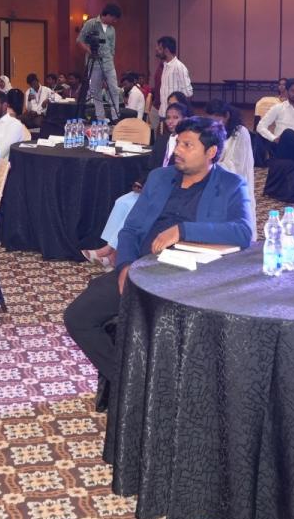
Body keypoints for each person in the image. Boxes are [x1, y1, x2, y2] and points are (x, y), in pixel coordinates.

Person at [65, 118, 253, 391]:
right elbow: (131, 230)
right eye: (178, 143)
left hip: (190, 277)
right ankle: (132, 385)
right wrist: (125, 267)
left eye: (188, 145)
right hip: (142, 270)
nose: (178, 150)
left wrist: (183, 229)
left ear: (211, 152)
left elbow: (243, 232)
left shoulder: (231, 184)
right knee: (78, 317)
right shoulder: (160, 178)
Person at [82, 101, 191, 267]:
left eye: (176, 118)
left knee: (134, 208)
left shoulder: (186, 144)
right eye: (168, 118)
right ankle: (111, 252)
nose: (171, 121)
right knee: (122, 202)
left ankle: (110, 252)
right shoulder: (163, 140)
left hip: (169, 192)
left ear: (186, 119)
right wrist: (141, 182)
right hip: (153, 187)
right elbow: (151, 167)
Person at [205, 100, 257, 241]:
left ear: (226, 116)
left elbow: (237, 165)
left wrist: (210, 167)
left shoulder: (240, 132)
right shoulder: (212, 132)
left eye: (216, 119)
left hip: (235, 182)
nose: (213, 124)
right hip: (214, 181)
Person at [77, 4, 121, 120]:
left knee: (114, 89)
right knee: (96, 90)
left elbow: (112, 48)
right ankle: (100, 117)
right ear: (108, 15)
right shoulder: (91, 23)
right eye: (114, 18)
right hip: (94, 62)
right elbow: (80, 40)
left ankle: (115, 116)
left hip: (108, 63)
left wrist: (111, 58)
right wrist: (90, 51)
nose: (115, 21)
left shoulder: (112, 29)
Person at [153, 36, 193, 125]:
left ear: (166, 50)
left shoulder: (179, 67)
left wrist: (178, 111)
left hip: (174, 117)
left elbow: (188, 93)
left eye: (159, 48)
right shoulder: (165, 66)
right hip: (163, 113)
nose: (157, 50)